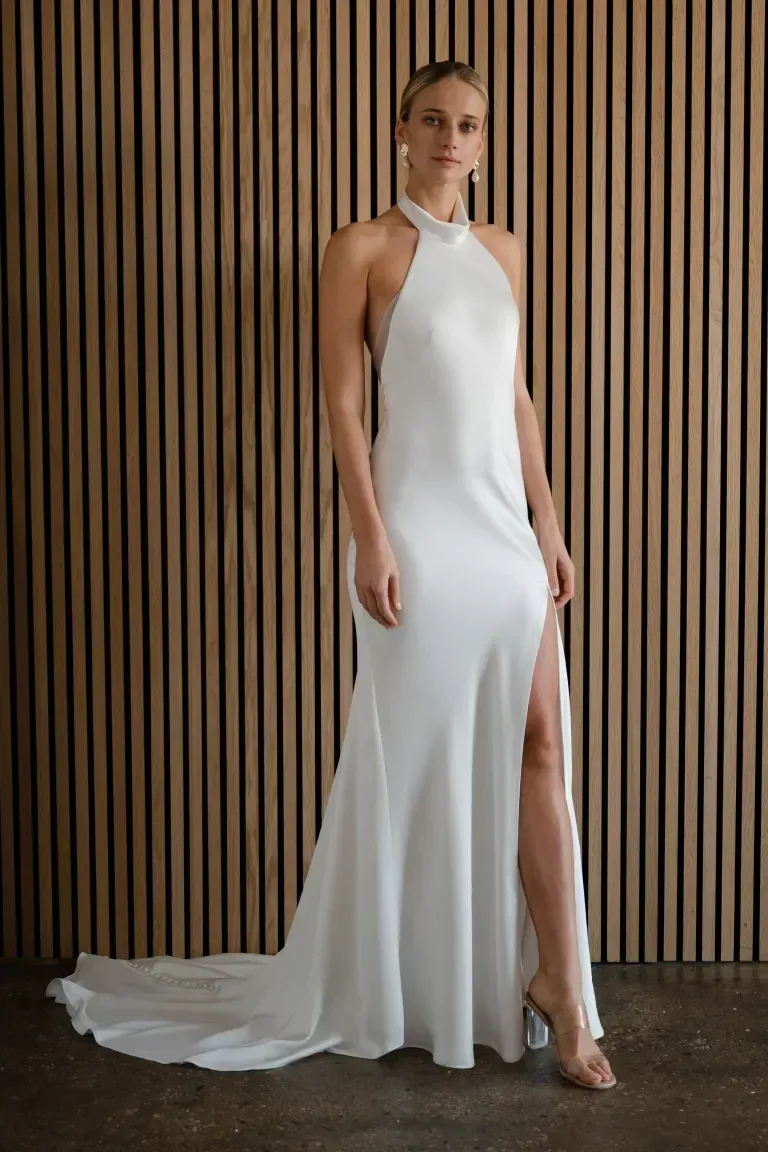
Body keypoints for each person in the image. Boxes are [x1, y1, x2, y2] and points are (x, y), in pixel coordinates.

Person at [46, 59, 615, 1090]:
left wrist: (551, 523)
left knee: (541, 744)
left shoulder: (504, 251)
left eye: (470, 126)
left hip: (504, 535)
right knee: (420, 762)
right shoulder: (358, 248)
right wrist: (370, 537)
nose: (452, 138)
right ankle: (411, 982)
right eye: (434, 120)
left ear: (485, 147)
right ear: (400, 131)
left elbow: (516, 395)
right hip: (421, 535)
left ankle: (563, 997)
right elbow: (346, 407)